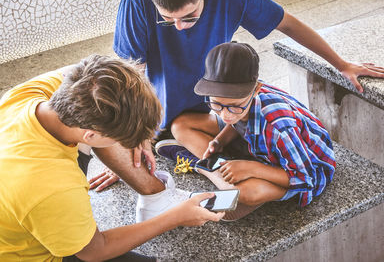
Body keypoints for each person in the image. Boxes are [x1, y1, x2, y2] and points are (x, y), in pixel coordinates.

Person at [92, 0, 384, 190]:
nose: (180, 28)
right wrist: (127, 147)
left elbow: (287, 23)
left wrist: (341, 64)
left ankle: (215, 160)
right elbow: (130, 77)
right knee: (175, 130)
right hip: (159, 110)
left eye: (190, 17)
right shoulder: (135, 2)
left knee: (239, 169)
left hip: (216, 103)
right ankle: (201, 160)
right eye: (168, 20)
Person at [0, 55, 224, 261]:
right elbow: (94, 250)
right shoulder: (54, 187)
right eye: (125, 140)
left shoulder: (30, 94)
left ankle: (157, 198)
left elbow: (91, 74)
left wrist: (139, 136)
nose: (129, 144)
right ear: (91, 135)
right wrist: (175, 217)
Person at [157, 42, 336, 220]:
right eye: (216, 105)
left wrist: (253, 169)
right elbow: (236, 121)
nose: (225, 115)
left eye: (234, 106)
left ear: (256, 89)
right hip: (257, 142)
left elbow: (305, 178)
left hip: (298, 167)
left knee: (246, 193)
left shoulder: (280, 128)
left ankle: (203, 166)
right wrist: (220, 141)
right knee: (180, 126)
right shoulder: (241, 98)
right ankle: (223, 169)